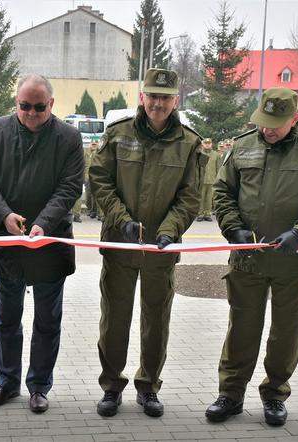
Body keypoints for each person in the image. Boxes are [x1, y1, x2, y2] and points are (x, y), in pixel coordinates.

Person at [207, 87, 298, 426]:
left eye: (275, 124)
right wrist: (232, 228)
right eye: (264, 122)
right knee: (241, 329)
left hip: (292, 260)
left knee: (285, 333)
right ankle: (230, 394)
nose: (267, 129)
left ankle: (275, 394)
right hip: (248, 259)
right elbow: (222, 192)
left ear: (294, 118)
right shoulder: (243, 146)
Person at [89, 68, 205, 417]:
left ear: (175, 101)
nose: (157, 103)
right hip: (120, 246)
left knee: (157, 321)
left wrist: (170, 229)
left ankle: (149, 386)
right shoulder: (118, 134)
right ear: (142, 97)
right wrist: (121, 220)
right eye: (152, 96)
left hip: (161, 249)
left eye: (165, 98)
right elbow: (99, 179)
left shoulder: (188, 143)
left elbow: (190, 196)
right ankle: (111, 386)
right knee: (115, 320)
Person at [0, 74, 84, 413]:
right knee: (7, 317)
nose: (32, 113)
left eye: (39, 107)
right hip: (8, 242)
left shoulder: (68, 137)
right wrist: (5, 216)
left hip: (50, 242)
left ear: (51, 105)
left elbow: (70, 186)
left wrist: (43, 223)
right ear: (16, 102)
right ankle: (7, 382)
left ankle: (39, 386)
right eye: (25, 106)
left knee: (47, 321)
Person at [197, 137, 219, 222]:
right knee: (201, 198)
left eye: (209, 143)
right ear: (202, 144)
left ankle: (207, 214)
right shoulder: (199, 153)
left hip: (212, 180)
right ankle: (200, 214)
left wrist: (217, 179)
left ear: (211, 144)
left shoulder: (216, 154)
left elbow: (218, 167)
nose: (207, 144)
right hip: (201, 180)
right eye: (205, 143)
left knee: (209, 199)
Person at [84, 140, 101, 219]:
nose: (94, 145)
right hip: (87, 176)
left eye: (95, 144)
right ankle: (90, 209)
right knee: (88, 195)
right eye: (92, 144)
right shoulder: (85, 152)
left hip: (97, 176)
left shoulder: (100, 152)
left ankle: (95, 212)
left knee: (96, 195)